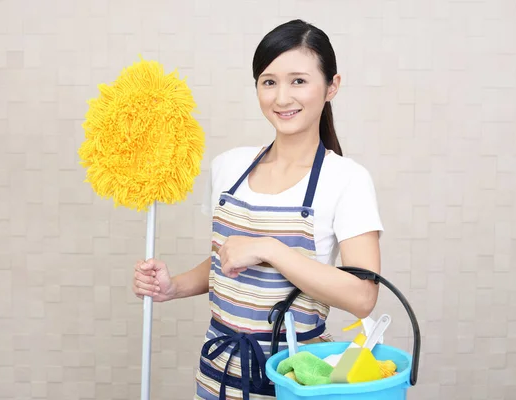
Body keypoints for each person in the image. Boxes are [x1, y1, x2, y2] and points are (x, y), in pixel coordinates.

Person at [132, 19, 384, 400]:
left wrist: (270, 248)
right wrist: (173, 287)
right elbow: (225, 261)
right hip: (219, 370)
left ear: (332, 86)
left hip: (294, 377)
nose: (282, 98)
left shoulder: (346, 180)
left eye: (298, 80)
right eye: (269, 82)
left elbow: (363, 297)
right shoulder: (228, 167)